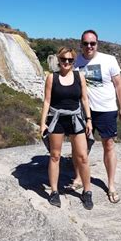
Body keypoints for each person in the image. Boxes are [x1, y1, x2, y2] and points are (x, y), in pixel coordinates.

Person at [70, 29, 121, 204]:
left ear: (97, 44)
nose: (89, 46)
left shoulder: (109, 60)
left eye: (92, 43)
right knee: (81, 146)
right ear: (81, 44)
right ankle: (79, 177)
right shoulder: (75, 61)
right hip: (83, 110)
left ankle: (111, 185)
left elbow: (119, 85)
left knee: (108, 145)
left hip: (106, 110)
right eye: (86, 43)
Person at [40, 47, 94, 210]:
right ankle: (54, 191)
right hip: (57, 119)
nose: (67, 63)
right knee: (55, 156)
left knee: (82, 157)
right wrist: (43, 122)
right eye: (64, 59)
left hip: (76, 119)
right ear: (59, 60)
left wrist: (89, 119)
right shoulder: (52, 78)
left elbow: (84, 99)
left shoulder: (80, 77)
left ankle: (87, 191)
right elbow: (47, 101)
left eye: (70, 60)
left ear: (74, 61)